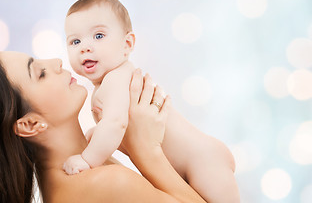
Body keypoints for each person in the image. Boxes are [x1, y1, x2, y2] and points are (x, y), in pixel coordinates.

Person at [64, 0, 240, 202]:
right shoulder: (111, 82)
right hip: (195, 162)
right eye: (75, 41)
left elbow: (116, 124)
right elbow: (119, 125)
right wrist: (96, 132)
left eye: (99, 36)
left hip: (203, 162)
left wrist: (87, 159)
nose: (85, 46)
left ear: (127, 44)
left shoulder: (116, 79)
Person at [0, 51, 207, 202]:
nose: (56, 61)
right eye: (41, 73)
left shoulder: (77, 172)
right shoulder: (107, 183)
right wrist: (146, 150)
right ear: (30, 124)